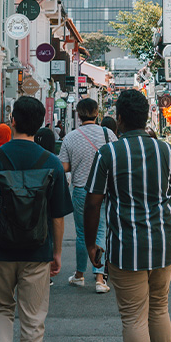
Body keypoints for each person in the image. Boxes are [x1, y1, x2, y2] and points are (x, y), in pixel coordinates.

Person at [85, 89, 171, 342]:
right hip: (162, 245)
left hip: (125, 247)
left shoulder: (108, 153)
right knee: (158, 309)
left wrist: (90, 244)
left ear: (119, 119)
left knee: (133, 317)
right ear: (146, 118)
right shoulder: (167, 151)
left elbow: (93, 203)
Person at [0, 97, 72, 342]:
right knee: (33, 319)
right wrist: (57, 252)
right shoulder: (52, 163)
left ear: (12, 120)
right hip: (38, 251)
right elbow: (57, 217)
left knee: (0, 307)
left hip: (1, 250)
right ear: (40, 126)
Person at [58, 98, 116, 293]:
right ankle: (100, 279)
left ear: (78, 114)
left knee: (82, 234)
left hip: (82, 189)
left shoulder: (71, 137)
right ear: (97, 112)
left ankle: (80, 275)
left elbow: (64, 166)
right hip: (105, 189)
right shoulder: (109, 134)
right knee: (101, 230)